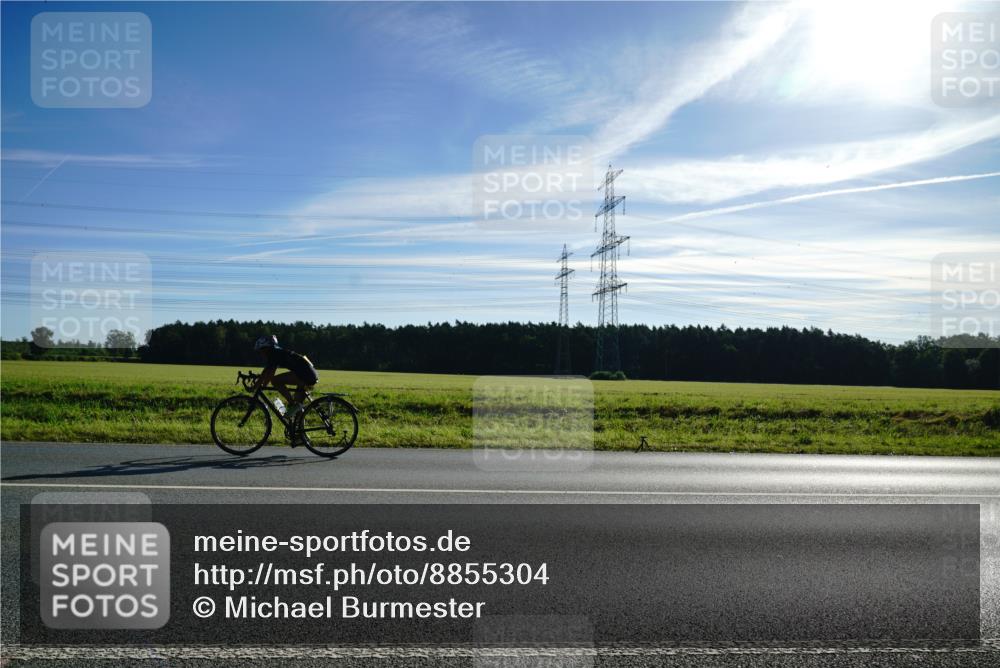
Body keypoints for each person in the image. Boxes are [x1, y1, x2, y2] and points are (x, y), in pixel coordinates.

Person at [252, 335, 319, 421]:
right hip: (309, 373)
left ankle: (292, 404)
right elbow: (267, 372)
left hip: (306, 374)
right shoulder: (277, 352)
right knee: (297, 409)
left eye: (261, 351)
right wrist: (261, 384)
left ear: (266, 348)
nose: (261, 354)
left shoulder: (273, 354)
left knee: (275, 381)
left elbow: (269, 374)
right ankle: (299, 430)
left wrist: (256, 386)